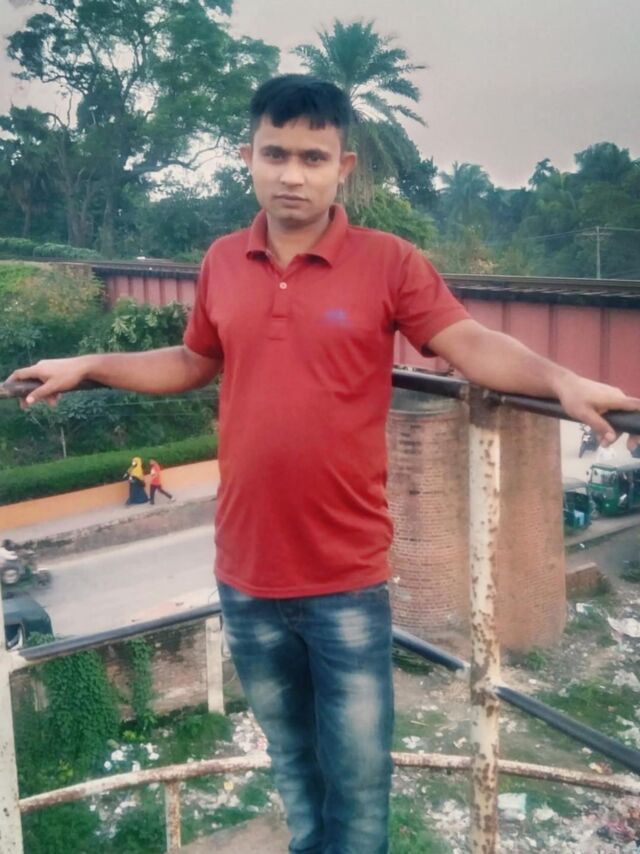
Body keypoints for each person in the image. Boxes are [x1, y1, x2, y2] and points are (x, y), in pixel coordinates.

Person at [7, 75, 640, 853]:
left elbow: (469, 342)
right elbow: (193, 360)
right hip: (245, 577)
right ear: (247, 157)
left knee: (362, 788)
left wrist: (561, 379)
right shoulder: (222, 261)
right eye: (275, 154)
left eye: (313, 157)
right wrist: (90, 365)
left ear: (344, 167)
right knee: (295, 769)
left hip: (345, 579)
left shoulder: (389, 262)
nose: (292, 174)